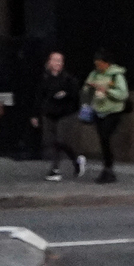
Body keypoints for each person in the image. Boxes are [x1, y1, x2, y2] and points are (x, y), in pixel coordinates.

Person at [35, 51, 84, 180]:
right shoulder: (44, 78)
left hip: (65, 113)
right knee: (51, 141)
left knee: (61, 140)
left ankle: (72, 161)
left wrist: (65, 95)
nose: (57, 63)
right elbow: (39, 97)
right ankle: (56, 169)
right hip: (49, 113)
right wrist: (35, 114)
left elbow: (75, 96)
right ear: (49, 62)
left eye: (60, 61)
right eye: (55, 60)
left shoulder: (68, 79)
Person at [84, 50, 129, 183]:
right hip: (98, 110)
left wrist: (107, 91)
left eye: (100, 64)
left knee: (105, 136)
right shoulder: (94, 74)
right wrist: (90, 89)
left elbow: (123, 94)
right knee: (103, 140)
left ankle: (108, 168)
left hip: (113, 111)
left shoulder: (116, 75)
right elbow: (86, 90)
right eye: (96, 64)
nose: (98, 67)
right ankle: (107, 168)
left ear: (107, 63)